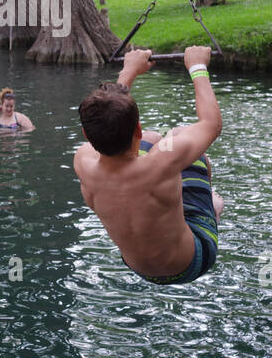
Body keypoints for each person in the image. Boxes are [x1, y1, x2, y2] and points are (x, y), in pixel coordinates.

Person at [74, 47, 224, 286]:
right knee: (179, 135)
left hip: (138, 267)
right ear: (137, 129)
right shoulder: (161, 164)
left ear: (86, 135)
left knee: (154, 140)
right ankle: (212, 208)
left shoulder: (83, 161)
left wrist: (129, 71)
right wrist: (197, 67)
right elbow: (211, 124)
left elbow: (106, 120)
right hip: (195, 259)